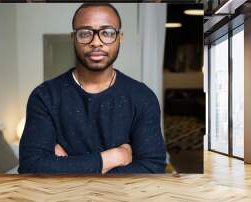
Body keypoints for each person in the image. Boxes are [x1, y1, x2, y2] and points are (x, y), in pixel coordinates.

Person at [18, 3, 167, 174]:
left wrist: (67, 165)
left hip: (123, 200)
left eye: (107, 32)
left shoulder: (142, 97)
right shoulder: (44, 96)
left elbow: (152, 168)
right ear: (73, 38)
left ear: (120, 37)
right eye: (85, 33)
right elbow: (31, 167)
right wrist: (113, 157)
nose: (96, 42)